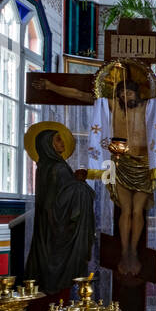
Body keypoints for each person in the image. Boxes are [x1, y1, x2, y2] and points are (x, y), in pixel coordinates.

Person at [44, 62, 156, 278]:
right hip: (121, 163)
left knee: (137, 210)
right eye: (121, 92)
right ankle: (126, 251)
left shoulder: (149, 107)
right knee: (126, 210)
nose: (124, 96)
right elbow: (79, 95)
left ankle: (133, 250)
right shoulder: (111, 105)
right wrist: (51, 86)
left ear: (137, 93)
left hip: (143, 163)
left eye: (129, 92)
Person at [24, 122, 95, 295]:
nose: (62, 143)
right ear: (47, 145)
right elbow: (62, 200)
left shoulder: (43, 166)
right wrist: (80, 184)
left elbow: (57, 195)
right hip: (59, 230)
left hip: (46, 228)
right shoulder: (58, 167)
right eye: (57, 140)